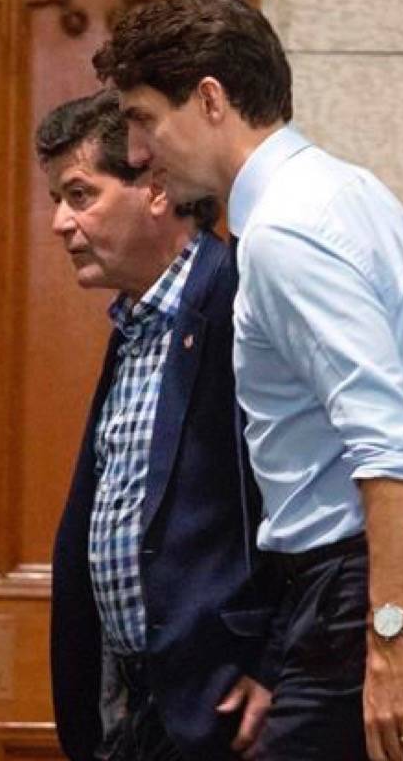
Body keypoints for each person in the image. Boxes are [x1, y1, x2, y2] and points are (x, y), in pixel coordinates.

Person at [92, 0, 403, 761]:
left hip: (377, 587)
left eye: (142, 119)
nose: (135, 152)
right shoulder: (355, 193)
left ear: (211, 98)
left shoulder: (285, 231)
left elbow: (394, 447)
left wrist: (389, 637)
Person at [38, 89, 278, 761]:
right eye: (57, 198)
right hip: (137, 706)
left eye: (80, 194)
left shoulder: (239, 301)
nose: (59, 222)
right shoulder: (135, 327)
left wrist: (282, 660)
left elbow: (318, 497)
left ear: (158, 189)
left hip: (227, 709)